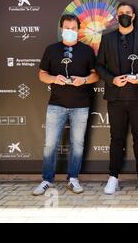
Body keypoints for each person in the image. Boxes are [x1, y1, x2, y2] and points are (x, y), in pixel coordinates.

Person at [33, 14, 99, 196]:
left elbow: (96, 75)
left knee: (77, 144)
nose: (70, 31)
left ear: (78, 30)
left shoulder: (86, 50)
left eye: (73, 28)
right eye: (67, 28)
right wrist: (54, 78)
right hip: (56, 105)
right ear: (61, 29)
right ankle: (47, 179)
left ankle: (73, 178)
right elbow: (41, 74)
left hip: (81, 105)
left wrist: (84, 80)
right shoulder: (51, 49)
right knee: (50, 144)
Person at [96, 2, 138, 195]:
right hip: (116, 97)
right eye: (121, 13)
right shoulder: (107, 38)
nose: (124, 16)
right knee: (117, 138)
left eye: (128, 13)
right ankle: (113, 177)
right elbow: (99, 66)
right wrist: (112, 80)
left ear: (134, 16)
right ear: (116, 16)